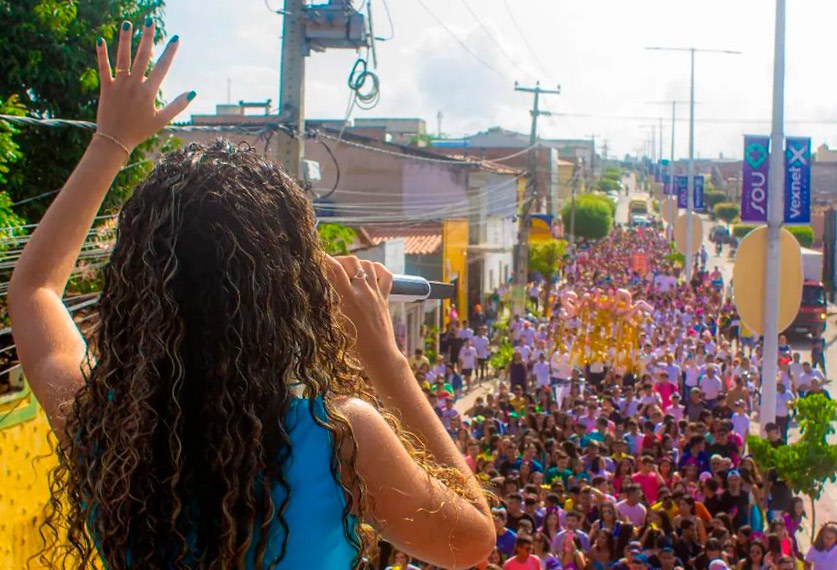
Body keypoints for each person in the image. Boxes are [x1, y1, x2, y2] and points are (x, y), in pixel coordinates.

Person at [9, 22, 494, 569]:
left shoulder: (102, 427)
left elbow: (34, 289)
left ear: (136, 291)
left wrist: (111, 140)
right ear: (286, 298)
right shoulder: (341, 438)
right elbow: (473, 540)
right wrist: (384, 357)